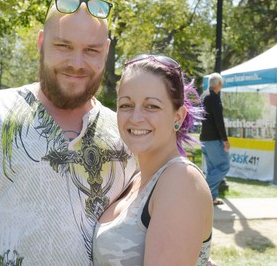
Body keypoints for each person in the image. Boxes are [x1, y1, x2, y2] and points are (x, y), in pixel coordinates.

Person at [0, 0, 136, 266]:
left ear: (105, 51)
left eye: (91, 50)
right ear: (42, 43)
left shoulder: (127, 132)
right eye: (63, 46)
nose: (77, 63)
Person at [92, 54, 214, 265]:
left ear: (178, 117)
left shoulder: (180, 181)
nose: (136, 117)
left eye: (152, 106)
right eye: (126, 105)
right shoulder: (135, 178)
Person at [200, 72, 230, 205]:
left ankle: (211, 197)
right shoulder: (214, 97)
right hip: (213, 139)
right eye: (221, 83)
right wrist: (225, 139)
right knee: (224, 166)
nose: (221, 86)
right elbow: (219, 120)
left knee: (213, 169)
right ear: (218, 84)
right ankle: (203, 192)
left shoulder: (203, 96)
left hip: (204, 138)